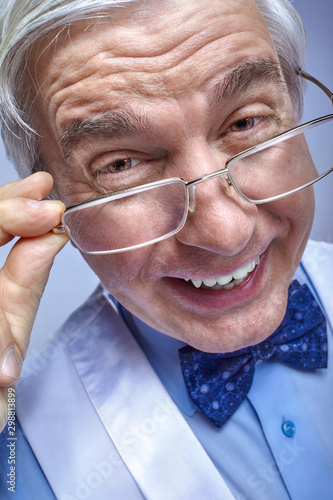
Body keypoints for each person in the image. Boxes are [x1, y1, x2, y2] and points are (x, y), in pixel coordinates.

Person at [0, 0, 332, 498]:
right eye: (122, 165)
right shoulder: (14, 455)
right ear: (49, 204)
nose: (226, 232)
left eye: (245, 124)